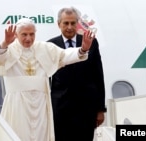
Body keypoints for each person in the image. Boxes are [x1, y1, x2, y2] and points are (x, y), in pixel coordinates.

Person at [0, 18, 95, 141]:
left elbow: (64, 56)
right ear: (16, 34)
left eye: (32, 34)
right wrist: (5, 43)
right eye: (24, 34)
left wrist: (83, 49)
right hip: (17, 103)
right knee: (17, 134)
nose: (28, 38)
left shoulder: (44, 48)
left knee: (41, 134)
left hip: (41, 102)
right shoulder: (9, 49)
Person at [47, 7, 107, 141]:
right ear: (59, 24)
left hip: (85, 108)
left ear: (77, 23)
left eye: (73, 23)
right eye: (65, 23)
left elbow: (98, 75)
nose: (69, 27)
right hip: (60, 108)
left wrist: (100, 109)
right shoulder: (50, 45)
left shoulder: (91, 42)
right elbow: (45, 78)